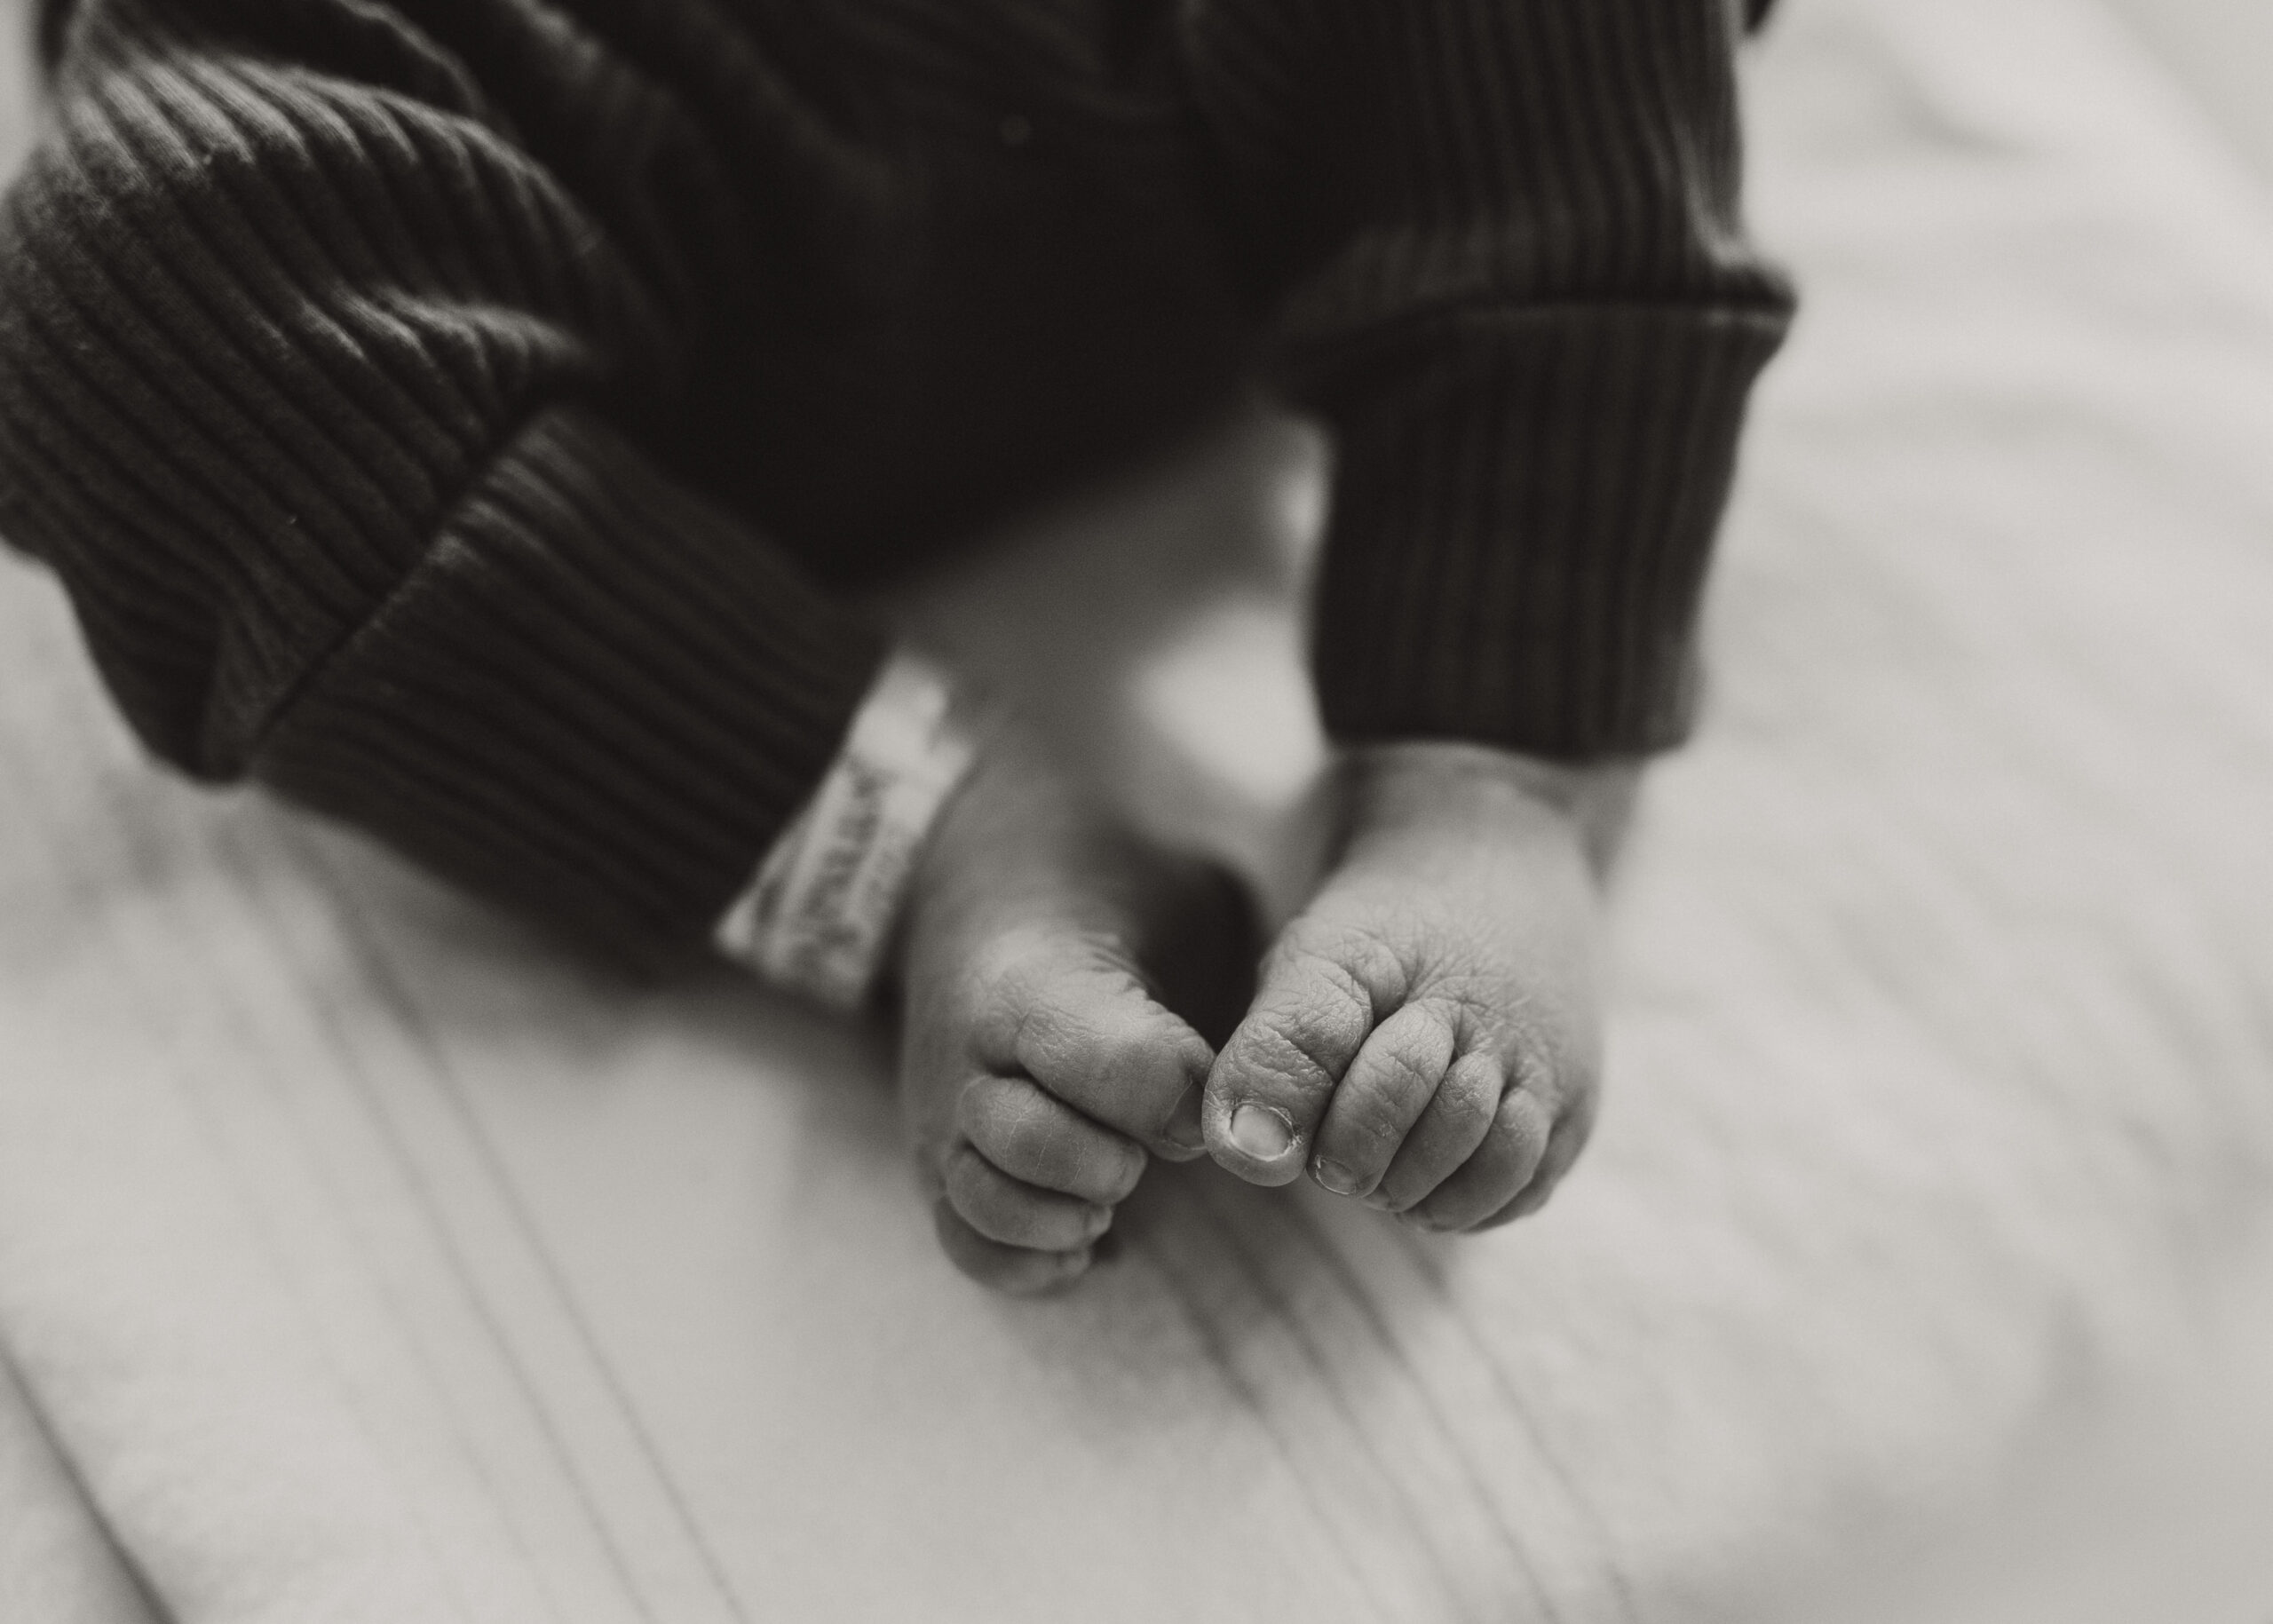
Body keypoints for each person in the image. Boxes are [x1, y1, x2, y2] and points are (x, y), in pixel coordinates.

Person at [0, 0, 1792, 1292]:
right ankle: (913, 827)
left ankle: (1488, 760)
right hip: (507, 126)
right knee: (119, 301)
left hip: (1189, 89)